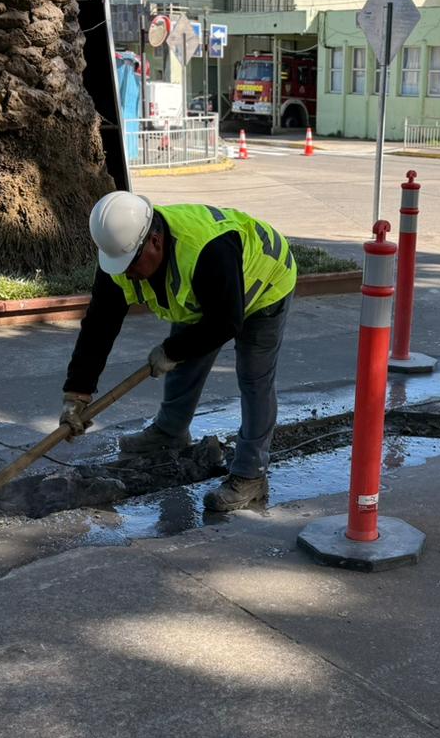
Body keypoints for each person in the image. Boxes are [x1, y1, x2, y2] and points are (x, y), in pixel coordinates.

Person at [62, 192, 296, 513]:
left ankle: (251, 475)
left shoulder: (206, 251)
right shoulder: (121, 253)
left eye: (131, 265)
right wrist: (77, 392)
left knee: (254, 378)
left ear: (155, 241)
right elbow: (99, 324)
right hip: (211, 291)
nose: (126, 273)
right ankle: (170, 432)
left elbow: (225, 323)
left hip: (266, 280)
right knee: (184, 357)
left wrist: (172, 350)